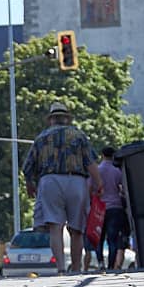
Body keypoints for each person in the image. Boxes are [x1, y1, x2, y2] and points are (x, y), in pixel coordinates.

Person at [22, 101, 97, 274]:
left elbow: (28, 166)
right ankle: (77, 268)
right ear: (67, 119)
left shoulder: (41, 138)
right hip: (76, 181)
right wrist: (98, 183)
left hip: (50, 181)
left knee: (55, 227)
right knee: (77, 229)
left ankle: (61, 268)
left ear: (51, 120)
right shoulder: (78, 135)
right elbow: (90, 162)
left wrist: (30, 184)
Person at [92, 144, 130, 271]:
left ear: (102, 156)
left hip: (100, 208)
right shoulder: (117, 171)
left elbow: (91, 188)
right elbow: (124, 188)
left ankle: (101, 262)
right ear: (113, 156)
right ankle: (110, 266)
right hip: (115, 207)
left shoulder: (97, 171)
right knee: (112, 239)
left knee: (99, 238)